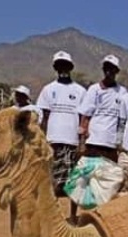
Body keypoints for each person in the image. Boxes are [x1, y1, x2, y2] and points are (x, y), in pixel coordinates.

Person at [36, 50, 87, 221]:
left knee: (74, 183)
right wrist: (41, 141)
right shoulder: (48, 90)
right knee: (52, 182)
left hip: (72, 142)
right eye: (59, 66)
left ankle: (72, 215)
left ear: (70, 68)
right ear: (56, 68)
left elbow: (83, 120)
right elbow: (44, 118)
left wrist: (81, 142)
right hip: (53, 141)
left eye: (65, 65)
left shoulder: (80, 91)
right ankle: (54, 217)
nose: (63, 69)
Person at [77, 54, 127, 163]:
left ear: (116, 71)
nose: (108, 71)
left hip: (111, 143)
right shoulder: (94, 89)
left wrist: (120, 141)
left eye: (112, 68)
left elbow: (122, 120)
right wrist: (82, 142)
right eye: (106, 68)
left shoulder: (122, 92)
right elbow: (85, 117)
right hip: (94, 142)